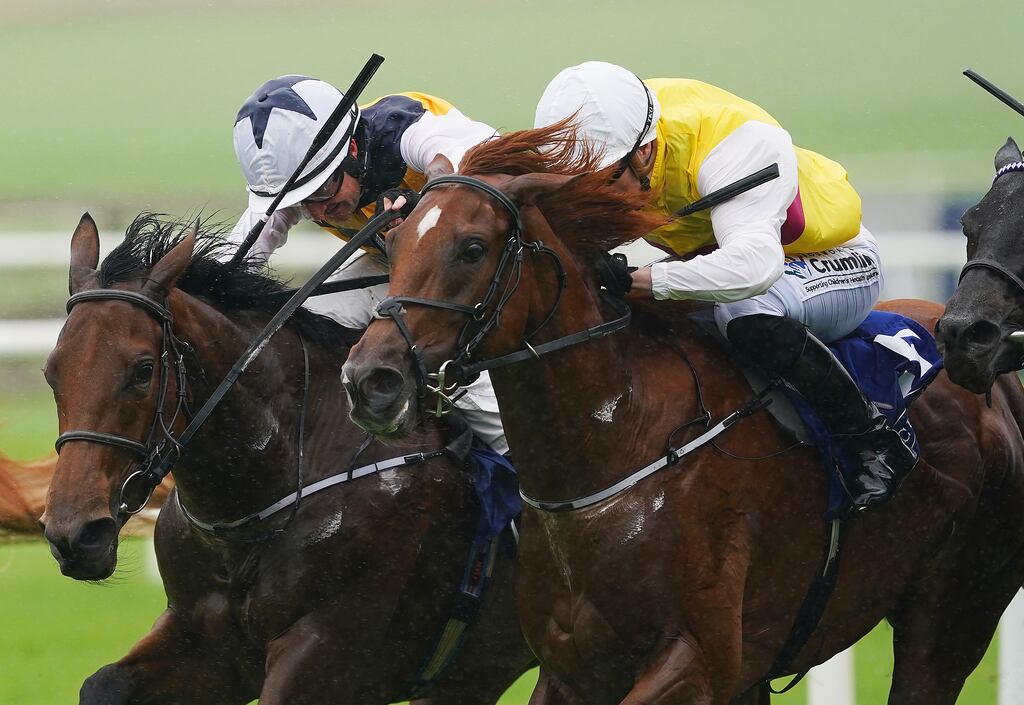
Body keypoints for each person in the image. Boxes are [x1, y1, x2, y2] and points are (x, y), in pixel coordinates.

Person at [533, 61, 916, 509]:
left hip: (829, 261)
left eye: (599, 182)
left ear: (644, 153)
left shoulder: (735, 142)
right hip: (725, 260)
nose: (589, 197)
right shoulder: (613, 129)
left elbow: (753, 268)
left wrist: (644, 280)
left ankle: (872, 441)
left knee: (743, 312)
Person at [228, 74, 507, 454]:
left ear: (353, 149)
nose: (318, 210)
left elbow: (461, 159)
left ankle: (519, 467)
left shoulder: (407, 127)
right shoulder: (297, 185)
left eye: (323, 189)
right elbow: (233, 260)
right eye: (301, 201)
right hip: (409, 271)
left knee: (463, 380)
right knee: (307, 330)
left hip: (488, 267)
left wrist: (426, 200)